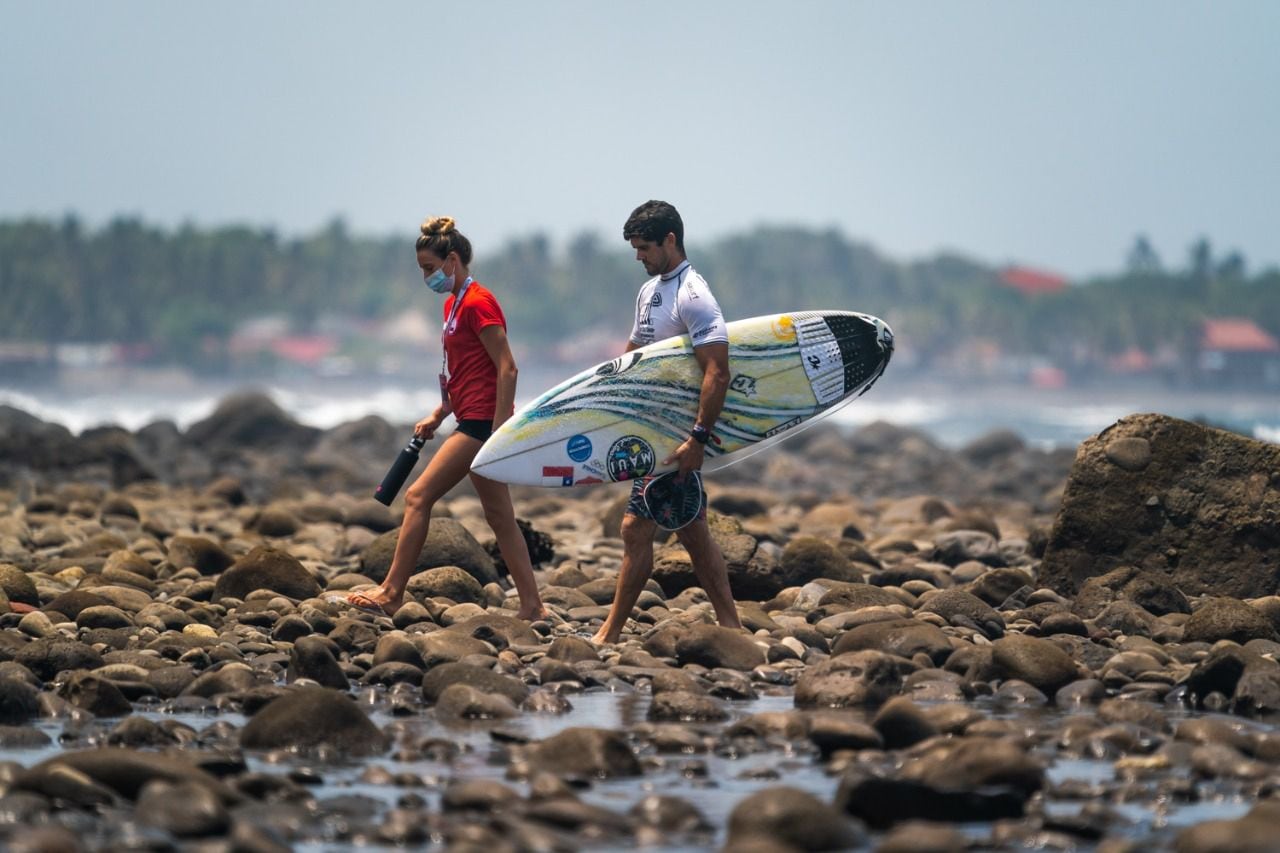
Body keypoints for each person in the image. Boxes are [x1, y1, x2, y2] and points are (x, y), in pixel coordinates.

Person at [346, 217, 548, 621]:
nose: (426, 276)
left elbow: (507, 368)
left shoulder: (479, 302)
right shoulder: (452, 303)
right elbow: (464, 370)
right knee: (500, 517)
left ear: (451, 260)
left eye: (428, 268)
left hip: (481, 426)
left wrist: (498, 432)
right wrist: (440, 412)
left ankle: (390, 593)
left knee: (418, 497)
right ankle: (533, 606)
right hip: (468, 417)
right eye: (422, 269)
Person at [591, 200, 744, 644]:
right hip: (651, 432)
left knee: (636, 529)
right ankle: (731, 625)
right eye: (635, 248)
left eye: (644, 247)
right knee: (693, 531)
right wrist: (608, 398)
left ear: (670, 240)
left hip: (677, 437)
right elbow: (636, 351)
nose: (638, 256)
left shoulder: (693, 295)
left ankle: (610, 632)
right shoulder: (651, 290)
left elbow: (717, 370)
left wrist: (698, 438)